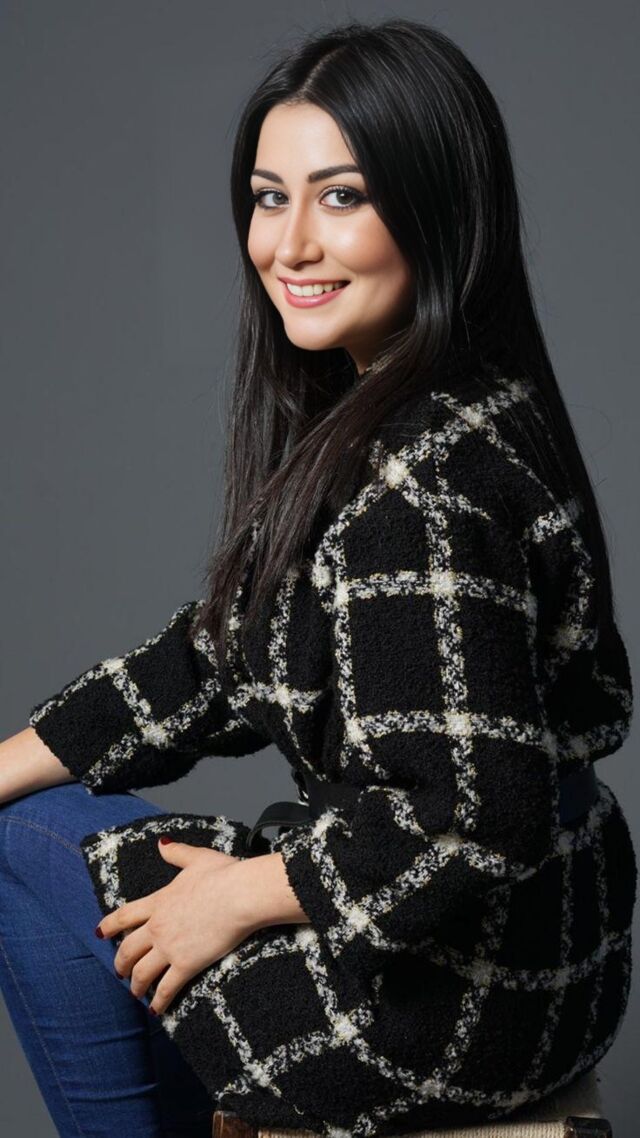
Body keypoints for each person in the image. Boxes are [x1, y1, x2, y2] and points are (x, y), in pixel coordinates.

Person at [0, 16, 636, 1138]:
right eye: (267, 197)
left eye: (342, 197)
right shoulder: (474, 403)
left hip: (443, 1003)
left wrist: (238, 898)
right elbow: (219, 657)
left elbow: (476, 816)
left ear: (440, 209)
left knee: (23, 844)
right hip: (558, 963)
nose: (289, 244)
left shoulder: (417, 488)